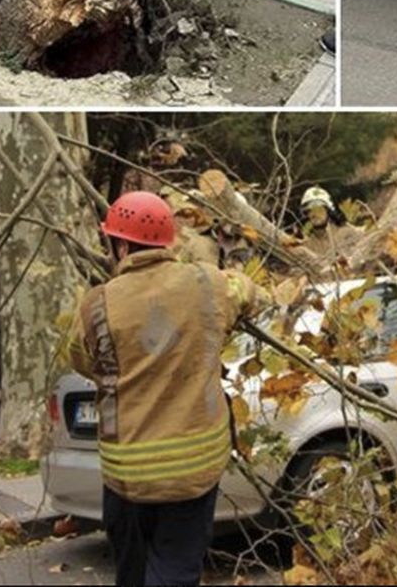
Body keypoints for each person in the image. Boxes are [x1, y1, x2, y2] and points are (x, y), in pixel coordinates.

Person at [69, 191, 261, 587]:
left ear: (120, 244)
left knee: (132, 572)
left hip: (127, 471)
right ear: (169, 241)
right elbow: (249, 294)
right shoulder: (208, 283)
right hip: (193, 466)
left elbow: (82, 361)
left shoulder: (95, 304)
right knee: (175, 569)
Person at [299, 186, 365, 264]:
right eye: (309, 211)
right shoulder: (307, 245)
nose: (314, 214)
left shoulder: (349, 233)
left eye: (318, 209)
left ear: (328, 211)